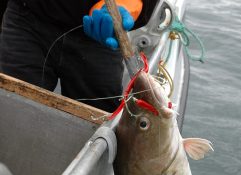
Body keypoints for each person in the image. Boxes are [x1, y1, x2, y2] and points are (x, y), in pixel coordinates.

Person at [0, 0, 157, 112]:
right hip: (28, 19)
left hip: (100, 34)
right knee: (9, 107)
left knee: (98, 121)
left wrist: (129, 3)